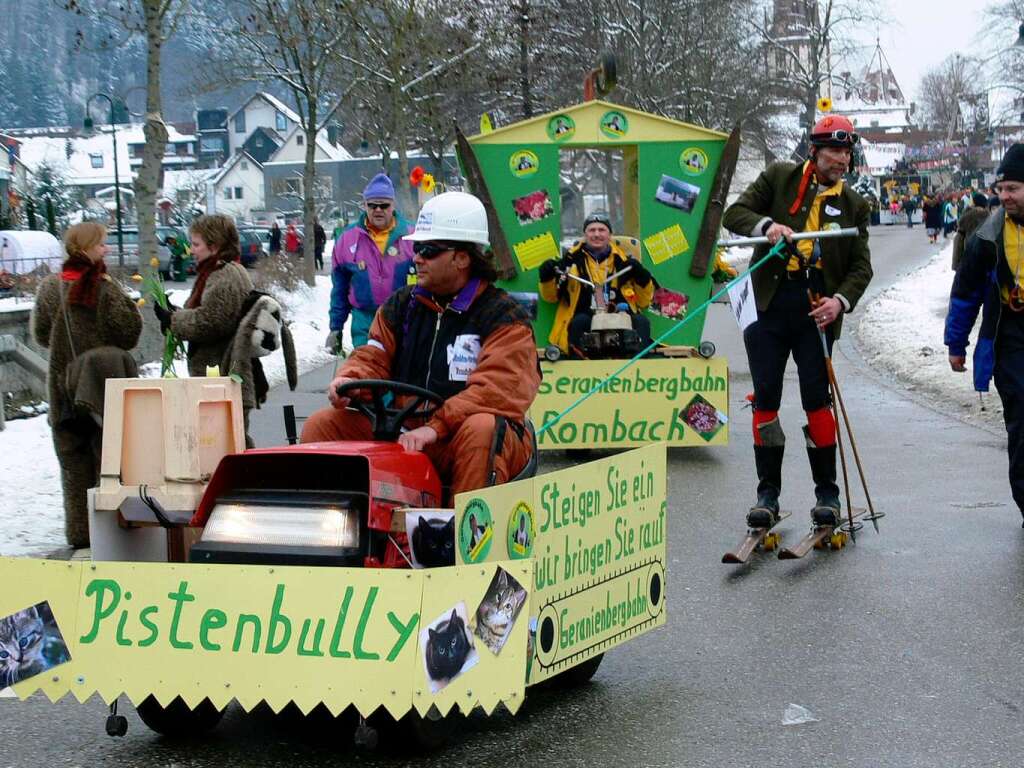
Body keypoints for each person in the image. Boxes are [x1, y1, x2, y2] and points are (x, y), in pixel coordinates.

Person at [302, 191, 540, 497]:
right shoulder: (402, 305)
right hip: (409, 431)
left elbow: (498, 389)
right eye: (416, 248)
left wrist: (436, 427)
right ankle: (336, 531)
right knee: (323, 425)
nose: (416, 258)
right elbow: (373, 353)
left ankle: (464, 536)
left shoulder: (504, 316)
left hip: (462, 436)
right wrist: (352, 378)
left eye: (428, 250)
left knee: (482, 427)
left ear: (462, 258)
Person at [721, 113, 873, 529]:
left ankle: (828, 495)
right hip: (769, 304)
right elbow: (734, 213)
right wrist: (766, 226)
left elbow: (861, 267)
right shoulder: (780, 177)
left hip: (816, 310)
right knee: (765, 396)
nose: (840, 160)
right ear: (814, 150)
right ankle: (766, 494)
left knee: (815, 398)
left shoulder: (855, 204)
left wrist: (840, 301)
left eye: (846, 152)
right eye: (833, 151)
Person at [31, 221, 143, 548]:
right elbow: (128, 333)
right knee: (108, 462)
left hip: (63, 389)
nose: (105, 249)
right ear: (84, 248)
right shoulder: (103, 286)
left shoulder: (51, 287)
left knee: (72, 463)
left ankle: (80, 534)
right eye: (100, 244)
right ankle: (112, 534)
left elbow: (40, 334)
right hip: (102, 390)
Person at [154, 214, 296, 446]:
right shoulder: (217, 272)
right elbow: (210, 313)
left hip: (224, 376)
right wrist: (176, 314)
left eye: (196, 244)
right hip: (220, 377)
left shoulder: (225, 275)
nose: (192, 250)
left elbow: (213, 321)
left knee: (227, 446)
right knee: (228, 444)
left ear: (215, 246)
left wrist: (174, 320)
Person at [946, 144, 1024, 526]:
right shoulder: (986, 237)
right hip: (1009, 335)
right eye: (1002, 188)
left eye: (1014, 188)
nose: (1005, 196)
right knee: (1022, 418)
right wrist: (956, 345)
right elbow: (965, 295)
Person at [537, 211, 653, 357]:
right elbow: (550, 297)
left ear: (610, 235)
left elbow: (644, 302)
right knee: (579, 322)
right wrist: (546, 278)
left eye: (602, 230)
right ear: (585, 234)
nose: (597, 235)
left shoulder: (624, 263)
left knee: (641, 321)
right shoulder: (570, 262)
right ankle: (579, 369)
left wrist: (642, 276)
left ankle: (639, 368)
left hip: (620, 315)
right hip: (585, 316)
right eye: (592, 230)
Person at [327, 173, 415, 351]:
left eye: (384, 205)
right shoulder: (346, 239)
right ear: (364, 205)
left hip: (404, 320)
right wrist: (335, 328)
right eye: (372, 205)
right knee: (367, 374)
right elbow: (339, 288)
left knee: (401, 375)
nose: (378, 210)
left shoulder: (413, 235)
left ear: (393, 205)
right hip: (364, 323)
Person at [952, 192, 990, 271]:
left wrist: (956, 263)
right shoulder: (990, 217)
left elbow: (958, 241)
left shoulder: (966, 217)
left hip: (969, 258)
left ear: (974, 203)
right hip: (987, 259)